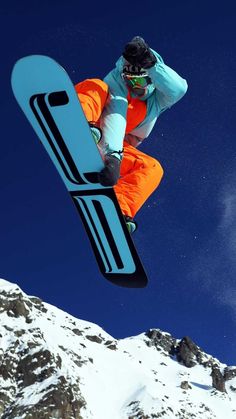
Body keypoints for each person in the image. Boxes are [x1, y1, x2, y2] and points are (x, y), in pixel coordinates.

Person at [75, 36, 188, 233]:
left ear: (151, 79)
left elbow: (178, 89)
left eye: (141, 79)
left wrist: (149, 61)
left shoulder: (157, 101)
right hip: (99, 132)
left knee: (152, 168)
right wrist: (112, 156)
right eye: (131, 79)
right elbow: (115, 115)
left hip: (112, 152)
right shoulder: (116, 83)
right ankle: (79, 123)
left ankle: (118, 209)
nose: (136, 84)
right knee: (96, 86)